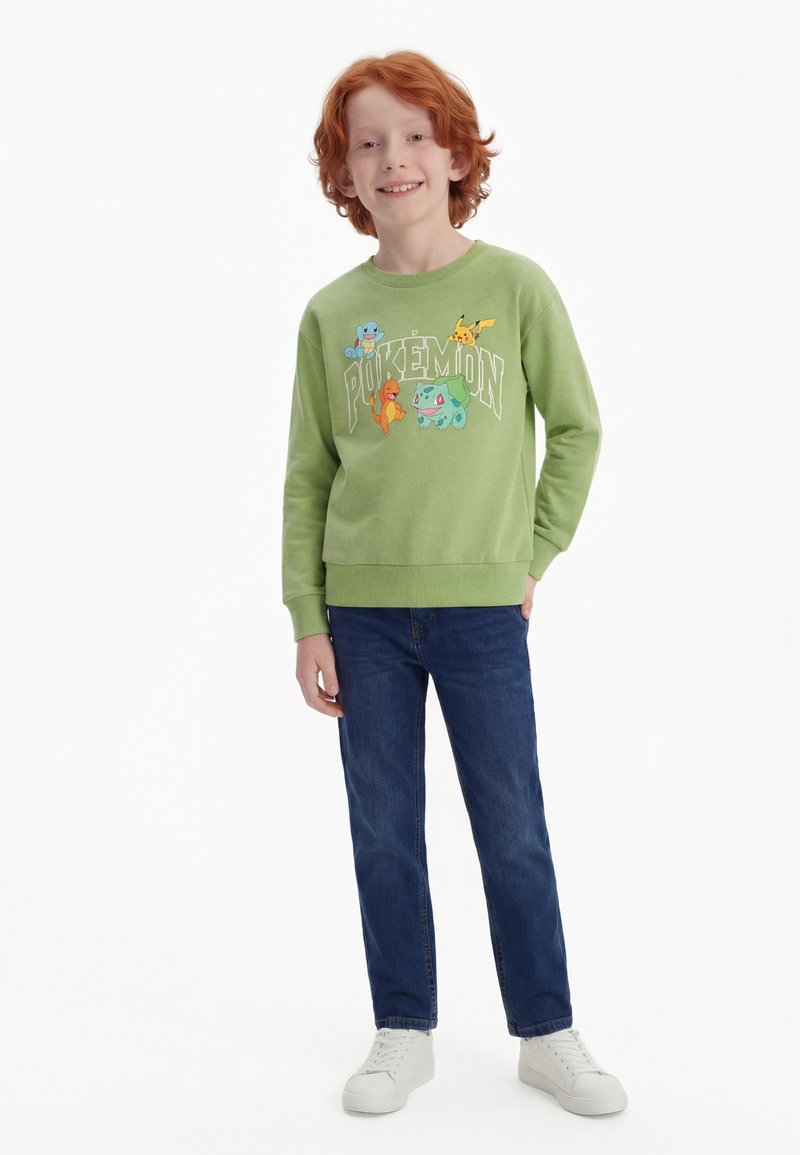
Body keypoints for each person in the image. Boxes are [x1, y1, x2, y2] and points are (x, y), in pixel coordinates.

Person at [281, 49, 627, 1118]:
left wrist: (532, 553)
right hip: (361, 616)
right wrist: (307, 618)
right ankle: (403, 1028)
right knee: (384, 827)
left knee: (510, 823)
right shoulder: (332, 314)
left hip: (482, 609)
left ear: (456, 153)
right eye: (367, 143)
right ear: (344, 170)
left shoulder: (514, 289)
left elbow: (576, 428)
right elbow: (308, 476)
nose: (394, 159)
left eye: (415, 137)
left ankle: (546, 1031)